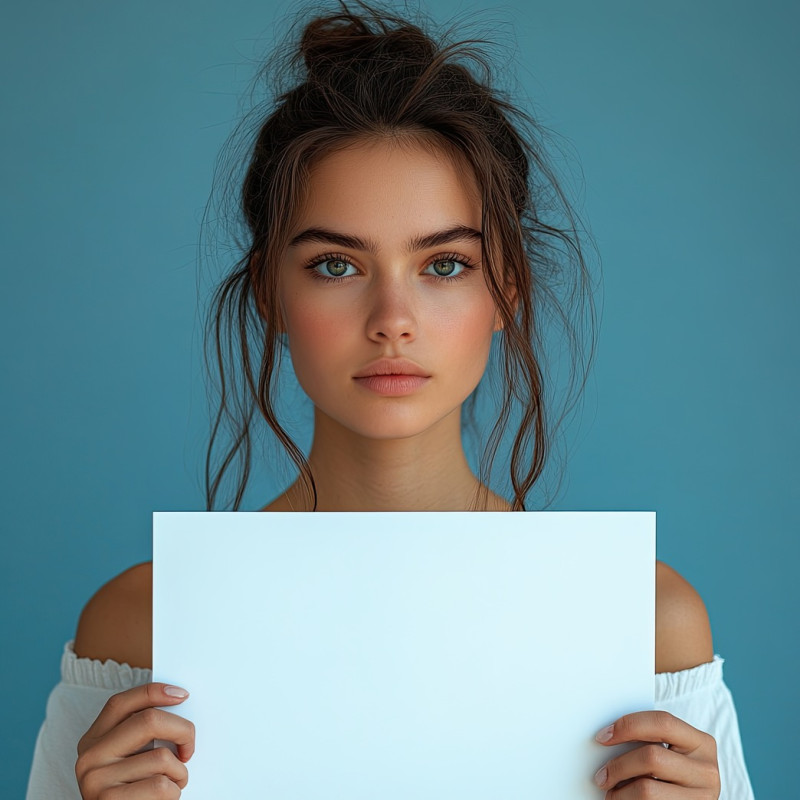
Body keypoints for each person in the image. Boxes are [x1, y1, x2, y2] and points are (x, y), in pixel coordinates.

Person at [26, 3, 754, 798]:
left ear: (506, 287)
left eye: (444, 265)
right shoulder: (140, 626)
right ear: (270, 291)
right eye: (336, 265)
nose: (392, 322)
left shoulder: (648, 623)